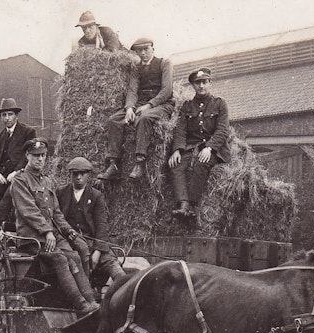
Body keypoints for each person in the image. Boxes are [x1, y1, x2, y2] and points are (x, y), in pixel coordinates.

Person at [10, 139, 99, 315]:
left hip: (50, 234)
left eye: (43, 155)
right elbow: (29, 211)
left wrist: (69, 231)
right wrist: (47, 231)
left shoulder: (47, 181)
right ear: (27, 156)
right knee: (60, 258)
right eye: (35, 156)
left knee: (75, 255)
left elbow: (56, 213)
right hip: (31, 236)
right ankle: (80, 304)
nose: (40, 159)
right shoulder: (20, 180)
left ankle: (91, 301)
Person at [98, 38, 175, 182]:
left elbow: (166, 91)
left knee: (144, 118)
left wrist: (149, 105)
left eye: (146, 49)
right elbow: (132, 90)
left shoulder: (164, 63)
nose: (144, 53)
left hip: (162, 104)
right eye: (140, 50)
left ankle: (140, 161)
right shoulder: (136, 68)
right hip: (141, 102)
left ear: (153, 48)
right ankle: (114, 163)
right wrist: (129, 108)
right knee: (114, 120)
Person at [168, 68, 231, 219]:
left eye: (204, 82)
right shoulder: (187, 106)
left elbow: (222, 130)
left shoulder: (220, 103)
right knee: (176, 164)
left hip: (214, 148)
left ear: (210, 83)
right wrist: (177, 150)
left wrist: (209, 148)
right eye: (197, 83)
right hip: (191, 146)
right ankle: (183, 204)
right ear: (193, 86)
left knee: (201, 163)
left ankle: (192, 205)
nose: (201, 86)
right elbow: (181, 130)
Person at [57, 157, 125, 289]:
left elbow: (101, 225)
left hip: (92, 243)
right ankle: (88, 295)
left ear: (88, 175)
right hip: (70, 243)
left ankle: (124, 293)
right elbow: (57, 218)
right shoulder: (61, 193)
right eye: (75, 173)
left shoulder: (96, 196)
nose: (78, 177)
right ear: (70, 175)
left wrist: (98, 251)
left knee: (114, 266)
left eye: (83, 173)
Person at [0, 98, 37, 229]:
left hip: (21, 174)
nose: (7, 118)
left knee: (11, 190)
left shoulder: (27, 132)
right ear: (1, 117)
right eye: (4, 115)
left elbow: (29, 155)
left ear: (16, 116)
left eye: (10, 114)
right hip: (4, 176)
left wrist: (16, 172)